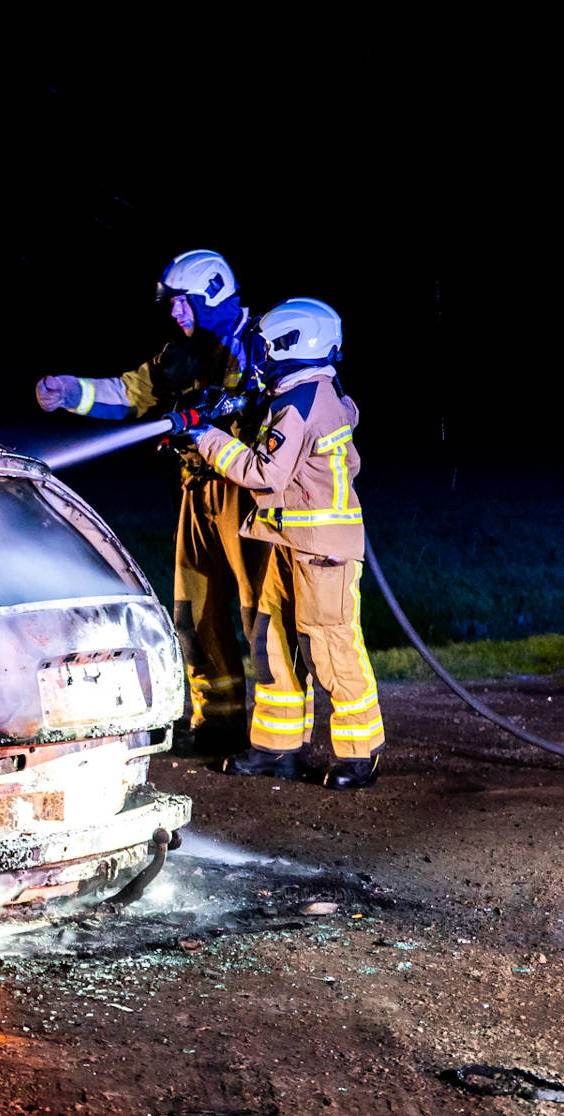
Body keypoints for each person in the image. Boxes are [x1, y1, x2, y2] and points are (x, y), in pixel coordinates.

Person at [35, 250, 268, 755]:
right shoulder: (183, 355)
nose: (175, 315)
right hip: (199, 490)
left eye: (182, 304)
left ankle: (275, 740)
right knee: (194, 609)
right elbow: (131, 392)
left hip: (251, 495)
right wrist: (70, 392)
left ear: (211, 295)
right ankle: (218, 721)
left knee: (260, 616)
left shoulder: (263, 345)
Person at [167, 297, 383, 789]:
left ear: (294, 345)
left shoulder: (301, 402)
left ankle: (360, 752)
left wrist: (205, 438)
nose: (260, 355)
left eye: (267, 347)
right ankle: (274, 747)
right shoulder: (306, 393)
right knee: (272, 639)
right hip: (289, 540)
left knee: (329, 647)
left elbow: (264, 473)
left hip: (322, 551)